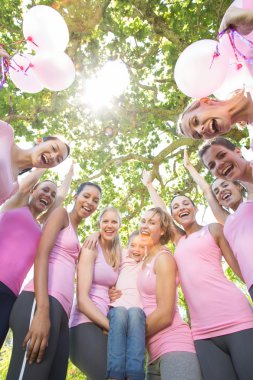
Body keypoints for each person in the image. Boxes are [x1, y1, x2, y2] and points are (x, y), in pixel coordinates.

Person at [142, 171, 253, 380]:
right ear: (172, 216)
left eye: (186, 203)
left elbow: (240, 269)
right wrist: (149, 185)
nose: (181, 208)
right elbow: (162, 212)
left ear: (195, 207)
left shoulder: (213, 230)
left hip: (237, 317)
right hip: (202, 333)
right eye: (176, 207)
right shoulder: (178, 240)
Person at [6, 181, 102, 380]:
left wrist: (99, 231)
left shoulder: (77, 235)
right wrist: (42, 311)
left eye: (95, 200)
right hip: (40, 301)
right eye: (86, 196)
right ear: (75, 197)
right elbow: (41, 255)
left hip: (62, 313)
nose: (90, 202)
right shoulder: (60, 214)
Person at [0, 165, 73, 350]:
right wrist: (46, 164)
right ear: (33, 191)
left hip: (9, 296)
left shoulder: (43, 228)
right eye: (45, 190)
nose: (48, 195)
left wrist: (70, 174)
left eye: (52, 195)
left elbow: (61, 197)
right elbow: (29, 182)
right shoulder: (15, 204)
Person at [137, 207, 202, 380]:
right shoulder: (142, 262)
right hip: (152, 356)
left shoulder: (163, 258)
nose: (145, 225)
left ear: (163, 230)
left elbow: (165, 314)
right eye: (143, 221)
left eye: (152, 223)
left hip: (175, 347)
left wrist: (130, 337)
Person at [184, 148, 253, 301]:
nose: (221, 191)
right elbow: (207, 190)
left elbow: (244, 170)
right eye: (217, 191)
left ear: (238, 186)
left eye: (225, 185)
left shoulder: (250, 198)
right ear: (219, 201)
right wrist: (188, 166)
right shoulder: (226, 220)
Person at [69, 206, 121, 380]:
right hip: (84, 324)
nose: (109, 225)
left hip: (103, 326)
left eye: (114, 221)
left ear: (119, 226)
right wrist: (112, 327)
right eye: (105, 221)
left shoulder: (116, 254)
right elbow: (82, 301)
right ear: (99, 224)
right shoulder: (91, 247)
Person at [107, 231, 147, 380]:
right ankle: (115, 374)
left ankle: (135, 374)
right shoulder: (122, 256)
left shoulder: (147, 262)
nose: (136, 249)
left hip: (137, 310)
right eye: (133, 245)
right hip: (117, 307)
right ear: (127, 246)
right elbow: (108, 240)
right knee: (121, 312)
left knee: (136, 313)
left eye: (141, 247)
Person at [0, 119, 70, 205]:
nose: (53, 157)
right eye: (53, 148)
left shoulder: (14, 187)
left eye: (58, 160)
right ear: (39, 141)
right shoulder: (5, 132)